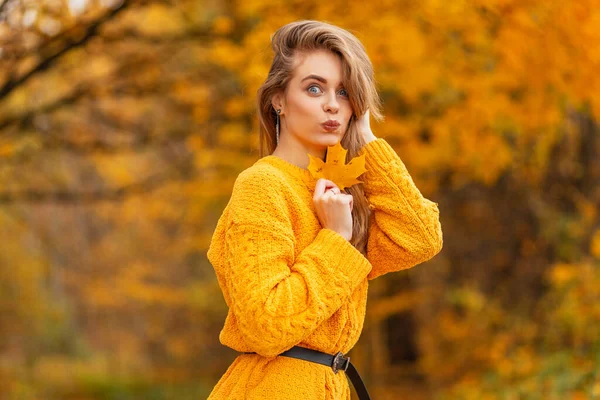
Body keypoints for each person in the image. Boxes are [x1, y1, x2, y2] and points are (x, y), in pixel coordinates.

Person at [206, 19, 443, 400]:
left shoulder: (342, 196)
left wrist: (366, 138)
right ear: (277, 100)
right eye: (314, 88)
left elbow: (420, 239)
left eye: (345, 92)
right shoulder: (263, 185)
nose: (333, 104)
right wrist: (334, 238)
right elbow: (265, 324)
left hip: (329, 387)